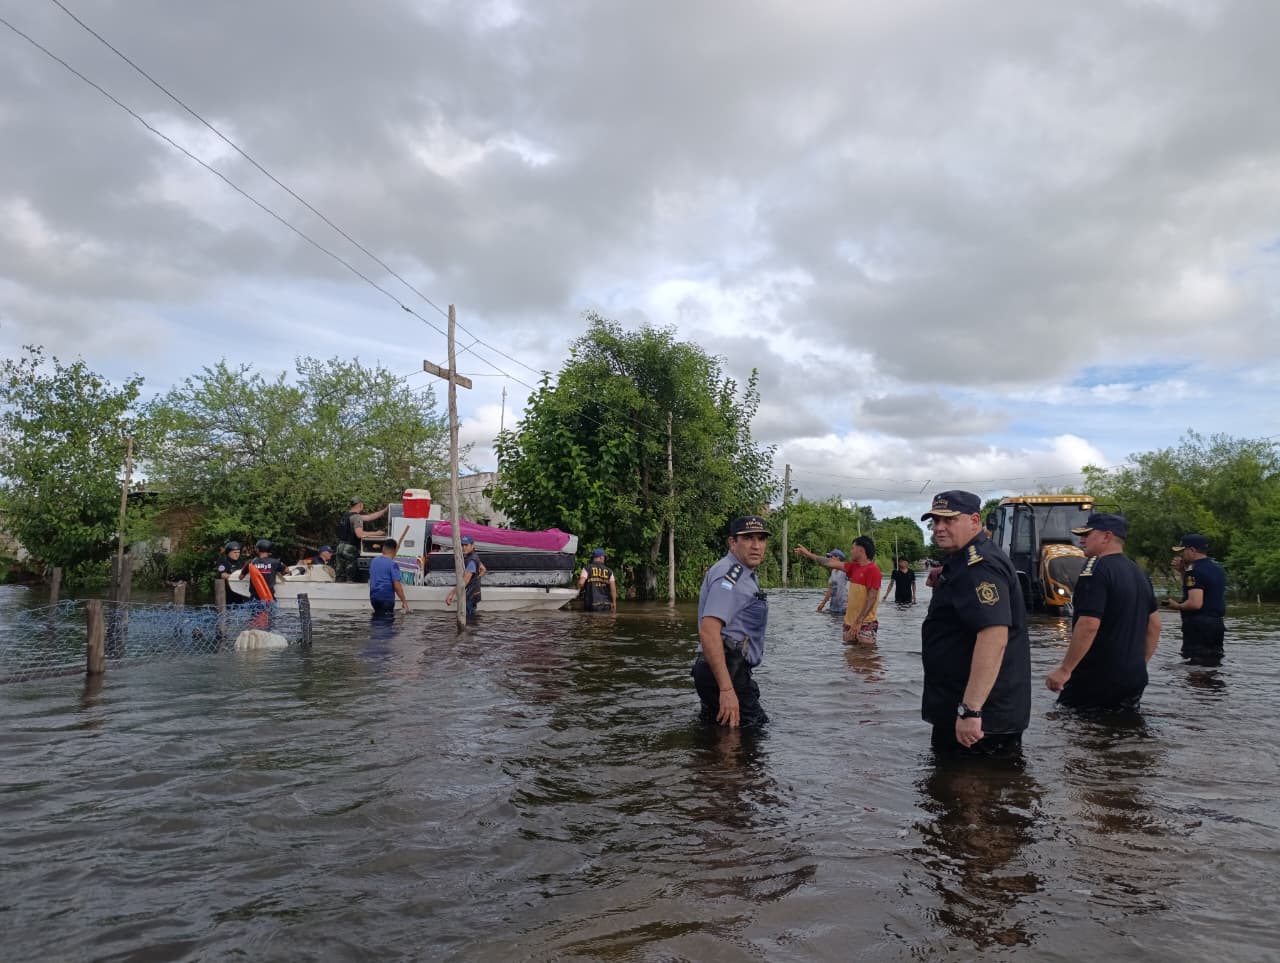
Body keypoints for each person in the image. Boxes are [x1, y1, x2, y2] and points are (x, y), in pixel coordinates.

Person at [919, 490, 1031, 756]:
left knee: (974, 782)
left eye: (949, 520)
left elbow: (994, 636)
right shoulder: (965, 560)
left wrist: (970, 710)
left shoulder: (980, 565)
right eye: (935, 521)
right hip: (968, 709)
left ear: (974, 520)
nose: (939, 528)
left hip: (981, 720)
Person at [1044, 513, 1160, 711]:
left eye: (1087, 535)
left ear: (1107, 536)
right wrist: (1139, 665)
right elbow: (1155, 625)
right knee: (1123, 725)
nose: (1081, 540)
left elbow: (1088, 624)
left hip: (1096, 675)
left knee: (1068, 721)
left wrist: (1065, 669)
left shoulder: (1095, 569)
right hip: (1134, 677)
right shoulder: (1138, 572)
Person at [691, 515, 771, 728]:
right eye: (748, 538)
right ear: (732, 542)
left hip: (724, 670)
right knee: (752, 736)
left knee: (719, 736)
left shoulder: (742, 573)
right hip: (724, 672)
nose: (756, 546)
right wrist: (726, 690)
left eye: (761, 539)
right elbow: (709, 631)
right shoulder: (730, 577)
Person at [795, 536, 882, 644]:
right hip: (849, 623)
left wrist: (859, 622)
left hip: (865, 623)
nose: (851, 551)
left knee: (867, 653)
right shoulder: (853, 567)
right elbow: (828, 562)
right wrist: (809, 554)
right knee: (849, 653)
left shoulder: (873, 570)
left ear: (861, 550)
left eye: (853, 548)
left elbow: (871, 598)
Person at [1164, 534, 1227, 666]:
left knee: (1195, 666)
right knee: (1212, 663)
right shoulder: (1217, 568)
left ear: (1192, 550)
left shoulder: (1194, 570)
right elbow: (1199, 588)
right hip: (1216, 624)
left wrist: (1176, 605)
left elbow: (1195, 603)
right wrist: (1183, 571)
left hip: (1198, 626)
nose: (1181, 554)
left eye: (1183, 550)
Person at [334, 498, 389, 583]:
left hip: (340, 547)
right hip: (349, 549)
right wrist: (377, 533)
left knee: (340, 576)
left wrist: (384, 510)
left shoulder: (346, 515)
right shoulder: (356, 517)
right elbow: (359, 534)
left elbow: (369, 517)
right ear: (360, 505)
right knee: (350, 577)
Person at [444, 535, 486, 619]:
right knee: (472, 619)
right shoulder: (474, 555)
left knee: (468, 619)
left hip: (470, 595)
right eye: (462, 545)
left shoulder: (471, 561)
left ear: (472, 545)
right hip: (475, 593)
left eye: (466, 545)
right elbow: (483, 569)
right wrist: (476, 579)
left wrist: (451, 594)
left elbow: (464, 582)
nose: (464, 547)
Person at [368, 538, 409, 615]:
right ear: (394, 550)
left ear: (383, 548)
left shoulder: (373, 561)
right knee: (387, 620)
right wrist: (404, 602)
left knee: (377, 618)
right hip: (386, 598)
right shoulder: (393, 564)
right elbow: (397, 586)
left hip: (374, 598)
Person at [577, 547, 617, 612]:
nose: (604, 559)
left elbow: (581, 583)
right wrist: (614, 603)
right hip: (606, 604)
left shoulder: (587, 568)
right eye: (604, 557)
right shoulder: (609, 571)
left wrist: (578, 591)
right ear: (601, 557)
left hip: (592, 603)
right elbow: (613, 589)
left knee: (591, 618)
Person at [816, 550, 848, 615]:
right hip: (833, 606)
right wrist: (822, 604)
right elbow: (830, 590)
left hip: (844, 607)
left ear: (838, 558)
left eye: (831, 557)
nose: (829, 559)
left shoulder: (845, 570)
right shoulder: (833, 571)